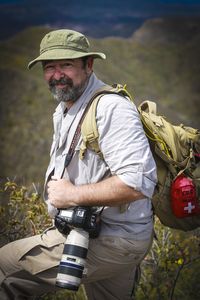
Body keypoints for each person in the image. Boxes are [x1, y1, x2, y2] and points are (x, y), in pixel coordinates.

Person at [0, 29, 157, 300]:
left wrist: (71, 195)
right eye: (50, 67)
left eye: (67, 65)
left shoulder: (111, 109)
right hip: (110, 235)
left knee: (4, 268)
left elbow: (138, 181)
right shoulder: (67, 106)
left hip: (111, 239)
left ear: (89, 65)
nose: (57, 74)